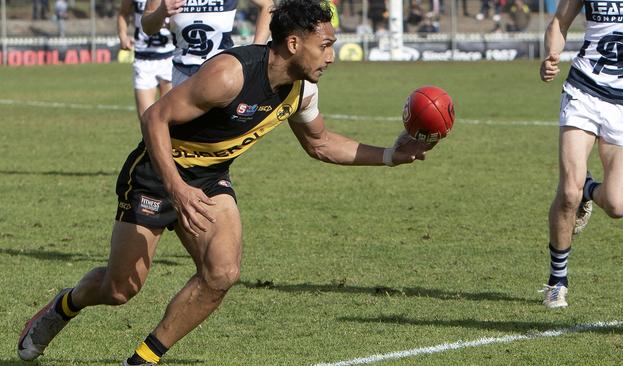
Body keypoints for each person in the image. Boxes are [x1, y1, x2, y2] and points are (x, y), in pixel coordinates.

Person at [17, 1, 433, 364]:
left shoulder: (301, 90)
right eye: (325, 45)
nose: (332, 56)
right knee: (120, 289)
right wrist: (177, 189)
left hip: (211, 177)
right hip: (157, 175)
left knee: (222, 272)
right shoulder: (230, 74)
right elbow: (154, 119)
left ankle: (143, 360)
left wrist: (390, 156)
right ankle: (64, 306)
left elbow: (321, 143)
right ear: (293, 43)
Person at [539, 0, 623, 308]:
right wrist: (552, 54)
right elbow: (560, 22)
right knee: (568, 191)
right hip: (583, 92)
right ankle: (557, 281)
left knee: (617, 205)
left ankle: (590, 188)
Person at [141, 0, 274, 87]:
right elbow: (148, 28)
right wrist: (161, 12)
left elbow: (268, 6)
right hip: (183, 72)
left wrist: (255, 51)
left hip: (222, 71)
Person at [117, 0, 175, 118]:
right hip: (143, 59)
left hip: (170, 57)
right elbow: (123, 13)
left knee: (172, 118)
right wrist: (123, 36)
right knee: (146, 120)